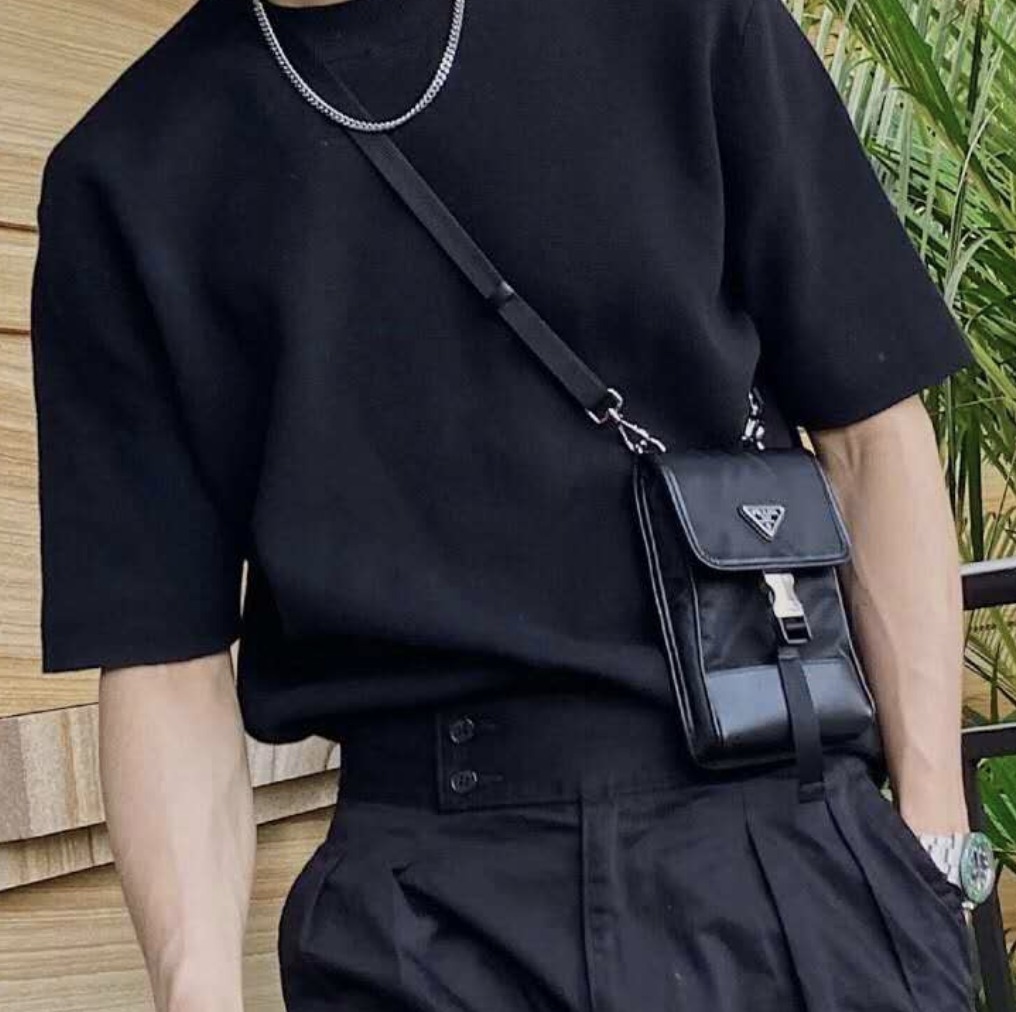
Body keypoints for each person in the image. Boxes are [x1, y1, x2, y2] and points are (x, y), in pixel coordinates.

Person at [28, 0, 992, 1009]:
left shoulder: (681, 18)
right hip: (419, 916)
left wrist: (930, 840)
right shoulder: (131, 171)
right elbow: (164, 661)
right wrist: (196, 990)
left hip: (776, 841)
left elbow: (870, 438)